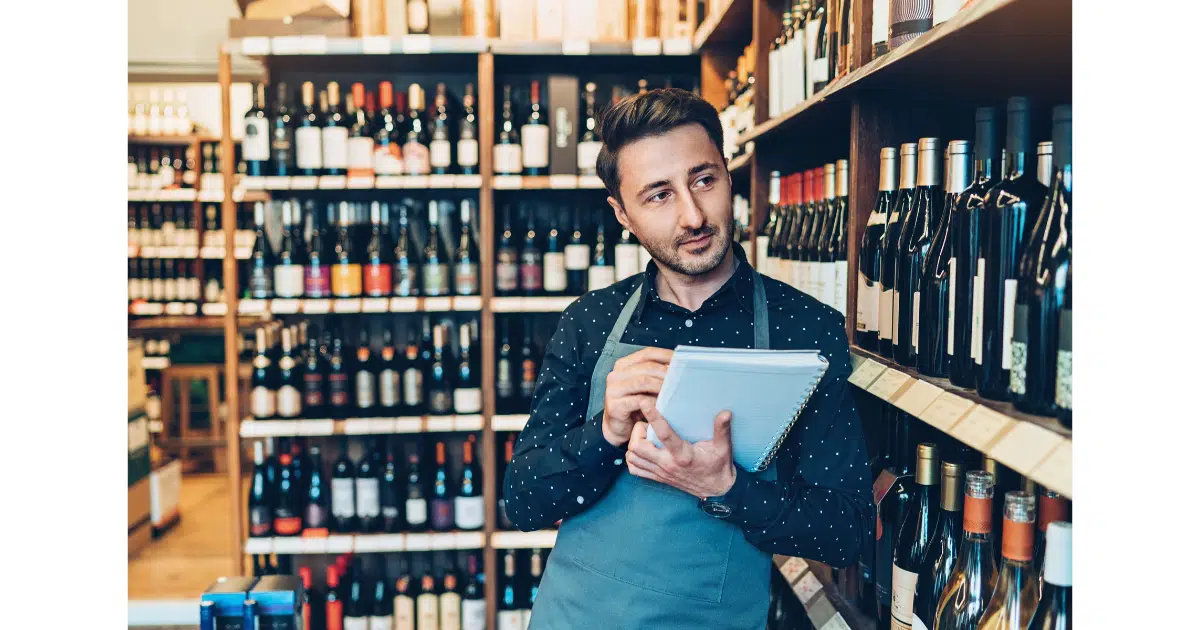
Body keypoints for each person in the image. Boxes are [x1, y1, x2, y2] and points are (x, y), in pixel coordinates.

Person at [503, 88, 873, 629]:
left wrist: (728, 488)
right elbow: (523, 502)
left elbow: (847, 531)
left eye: (703, 180)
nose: (693, 215)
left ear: (729, 175)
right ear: (622, 214)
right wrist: (604, 433)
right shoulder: (591, 321)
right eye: (659, 195)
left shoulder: (805, 328)